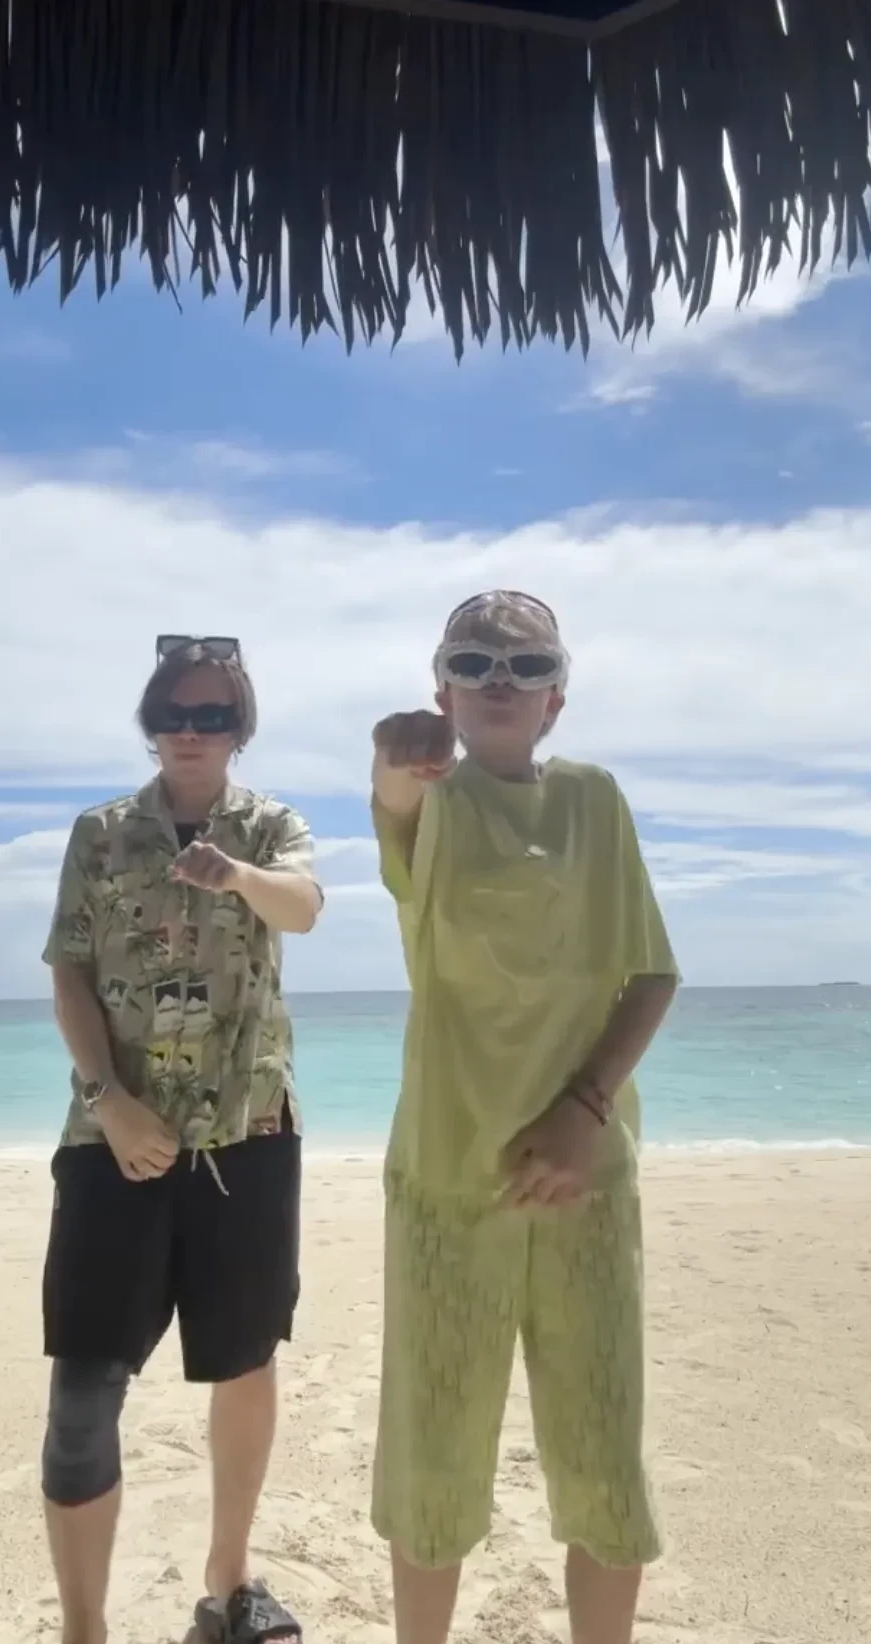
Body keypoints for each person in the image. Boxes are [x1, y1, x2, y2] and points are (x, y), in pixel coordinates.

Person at [369, 591, 679, 1644]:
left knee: (604, 1464)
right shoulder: (432, 803)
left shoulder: (595, 801)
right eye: (473, 662)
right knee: (433, 1466)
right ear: (442, 691)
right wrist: (396, 760)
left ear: (556, 700)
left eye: (526, 664)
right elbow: (396, 801)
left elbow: (649, 974)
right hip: (447, 1183)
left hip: (587, 1181)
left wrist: (584, 1111)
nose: (498, 679)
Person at [40, 635, 322, 1644]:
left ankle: (228, 1585)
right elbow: (69, 971)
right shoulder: (100, 833)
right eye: (173, 715)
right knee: (83, 1393)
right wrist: (108, 1098)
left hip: (249, 1135)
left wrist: (238, 875)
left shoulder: (271, 826)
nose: (190, 732)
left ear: (239, 730)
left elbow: (305, 907)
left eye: (212, 717)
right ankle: (84, 1627)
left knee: (243, 1362)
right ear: (150, 725)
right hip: (111, 1140)